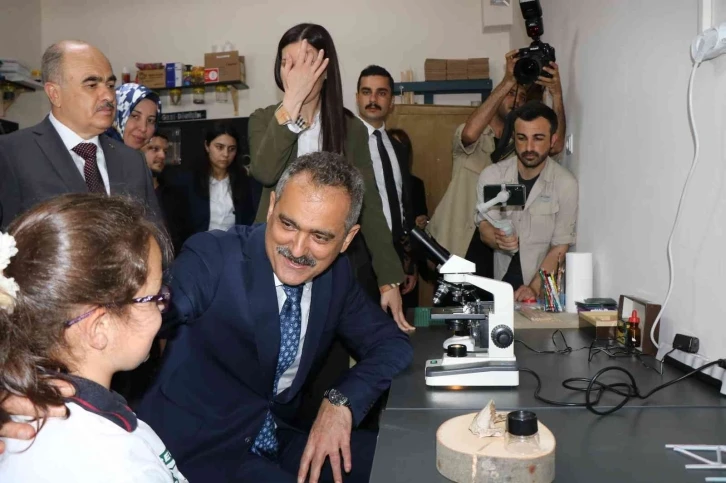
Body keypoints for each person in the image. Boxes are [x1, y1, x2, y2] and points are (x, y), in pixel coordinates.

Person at [135, 152, 413, 483]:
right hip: (201, 452)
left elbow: (392, 344)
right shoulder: (213, 256)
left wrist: (342, 402)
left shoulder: (336, 278)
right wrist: (143, 301)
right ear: (271, 208)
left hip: (282, 438)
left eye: (320, 237)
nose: (297, 249)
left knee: (406, 459)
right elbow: (161, 306)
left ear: (348, 239)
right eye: (288, 224)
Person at [0, 194, 186, 482]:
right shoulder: (123, 468)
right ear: (99, 327)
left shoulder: (18, 414)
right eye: (154, 297)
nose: (163, 307)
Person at [248, 23, 411, 332]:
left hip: (328, 260)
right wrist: (291, 107)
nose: (295, 72)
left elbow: (369, 205)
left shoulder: (351, 129)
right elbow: (265, 171)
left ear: (325, 69)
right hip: (274, 256)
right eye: (287, 63)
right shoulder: (264, 119)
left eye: (306, 62)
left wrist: (389, 278)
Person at [0, 40, 160, 229]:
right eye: (92, 85)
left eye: (110, 85)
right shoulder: (11, 154)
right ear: (54, 94)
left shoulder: (132, 161)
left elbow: (155, 235)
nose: (109, 96)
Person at [427, 50, 565, 265]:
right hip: (454, 242)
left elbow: (555, 146)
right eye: (511, 94)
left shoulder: (520, 148)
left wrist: (556, 95)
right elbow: (469, 134)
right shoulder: (474, 136)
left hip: (493, 247)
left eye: (522, 97)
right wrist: (508, 80)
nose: (517, 100)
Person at [476, 101, 578, 302]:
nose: (529, 147)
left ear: (553, 140)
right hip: (499, 282)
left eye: (538, 138)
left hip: (541, 287)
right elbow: (484, 226)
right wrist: (498, 238)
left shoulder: (565, 184)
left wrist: (533, 288)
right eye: (522, 138)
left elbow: (560, 246)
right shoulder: (492, 176)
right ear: (514, 138)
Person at [355, 65, 417, 308]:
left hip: (395, 257)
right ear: (357, 97)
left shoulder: (398, 148)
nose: (373, 99)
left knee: (394, 324)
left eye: (381, 93)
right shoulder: (344, 145)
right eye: (366, 92)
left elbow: (404, 207)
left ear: (391, 102)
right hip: (356, 258)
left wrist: (408, 262)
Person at [164, 122, 261, 252]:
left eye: (231, 149)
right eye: (219, 147)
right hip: (196, 250)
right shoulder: (187, 182)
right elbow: (179, 225)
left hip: (233, 250)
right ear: (207, 146)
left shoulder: (244, 183)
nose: (225, 154)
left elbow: (248, 223)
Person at [106, 83, 162, 150]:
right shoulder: (98, 153)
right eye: (135, 116)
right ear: (116, 114)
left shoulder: (133, 156)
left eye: (150, 120)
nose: (143, 128)